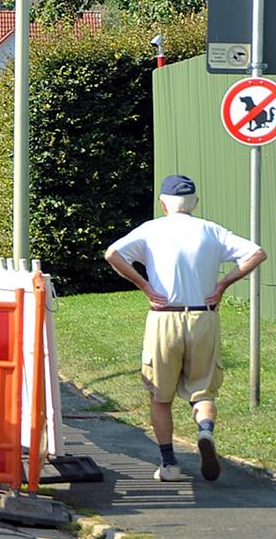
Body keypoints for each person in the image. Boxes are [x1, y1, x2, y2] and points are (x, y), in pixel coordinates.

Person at [104, 174, 266, 483]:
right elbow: (256, 253)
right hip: (203, 317)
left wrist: (145, 286)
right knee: (202, 390)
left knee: (159, 396)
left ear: (163, 203)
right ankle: (205, 430)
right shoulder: (210, 230)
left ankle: (169, 464)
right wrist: (222, 284)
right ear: (194, 203)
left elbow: (113, 254)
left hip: (164, 316)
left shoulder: (152, 229)